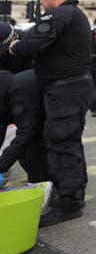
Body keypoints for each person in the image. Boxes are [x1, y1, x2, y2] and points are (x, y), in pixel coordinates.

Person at [5, 0, 93, 226]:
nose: (41, 1)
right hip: (71, 88)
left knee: (61, 142)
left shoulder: (60, 14)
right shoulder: (72, 15)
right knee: (69, 141)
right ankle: (74, 191)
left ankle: (69, 202)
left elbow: (32, 43)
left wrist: (14, 48)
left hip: (66, 89)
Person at [1, 23, 48, 188]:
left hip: (32, 94)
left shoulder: (28, 46)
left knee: (33, 145)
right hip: (9, 90)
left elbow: (27, 131)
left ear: (13, 39)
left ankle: (43, 182)